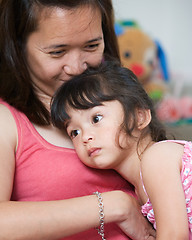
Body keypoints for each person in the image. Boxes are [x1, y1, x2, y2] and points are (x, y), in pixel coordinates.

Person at [0, 0, 156, 239]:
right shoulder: (6, 119)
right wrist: (115, 206)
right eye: (57, 52)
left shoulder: (118, 100)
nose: (76, 67)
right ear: (18, 47)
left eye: (92, 45)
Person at [51, 60, 192, 240]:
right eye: (74, 132)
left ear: (139, 116)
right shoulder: (138, 189)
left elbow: (174, 235)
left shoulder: (157, 158)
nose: (85, 137)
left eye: (96, 119)